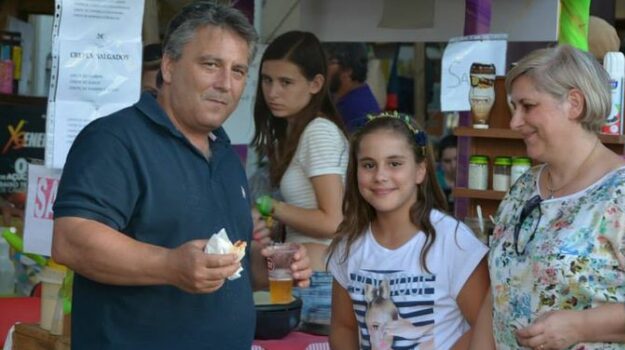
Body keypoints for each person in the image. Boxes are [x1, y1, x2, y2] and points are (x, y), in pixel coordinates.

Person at [51, 3, 312, 349]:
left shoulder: (226, 155)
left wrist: (268, 269)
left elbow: (224, 265)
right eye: (210, 65)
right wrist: (170, 265)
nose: (225, 84)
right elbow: (71, 240)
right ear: (169, 66)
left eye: (238, 71)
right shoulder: (115, 140)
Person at [469, 45, 625, 349]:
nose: (515, 122)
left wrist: (580, 327)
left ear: (574, 104)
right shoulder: (524, 188)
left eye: (527, 106)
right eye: (515, 108)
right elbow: (499, 292)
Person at [327, 112, 489, 349]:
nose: (380, 176)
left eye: (394, 164)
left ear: (420, 170)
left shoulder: (453, 240)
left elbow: (486, 326)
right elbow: (344, 326)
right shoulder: (349, 243)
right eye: (369, 165)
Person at [252, 30, 348, 328]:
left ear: (316, 84)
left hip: (318, 283)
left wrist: (269, 206)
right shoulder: (298, 133)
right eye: (267, 80)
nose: (273, 92)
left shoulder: (318, 132)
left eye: (286, 82)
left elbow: (334, 222)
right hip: (302, 278)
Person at [323, 42, 381, 133]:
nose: (324, 69)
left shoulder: (358, 109)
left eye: (329, 62)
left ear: (348, 71)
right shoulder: (347, 99)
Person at [436, 134, 457, 212]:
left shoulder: (472, 181)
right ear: (440, 162)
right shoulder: (434, 181)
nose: (453, 165)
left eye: (457, 159)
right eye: (447, 161)